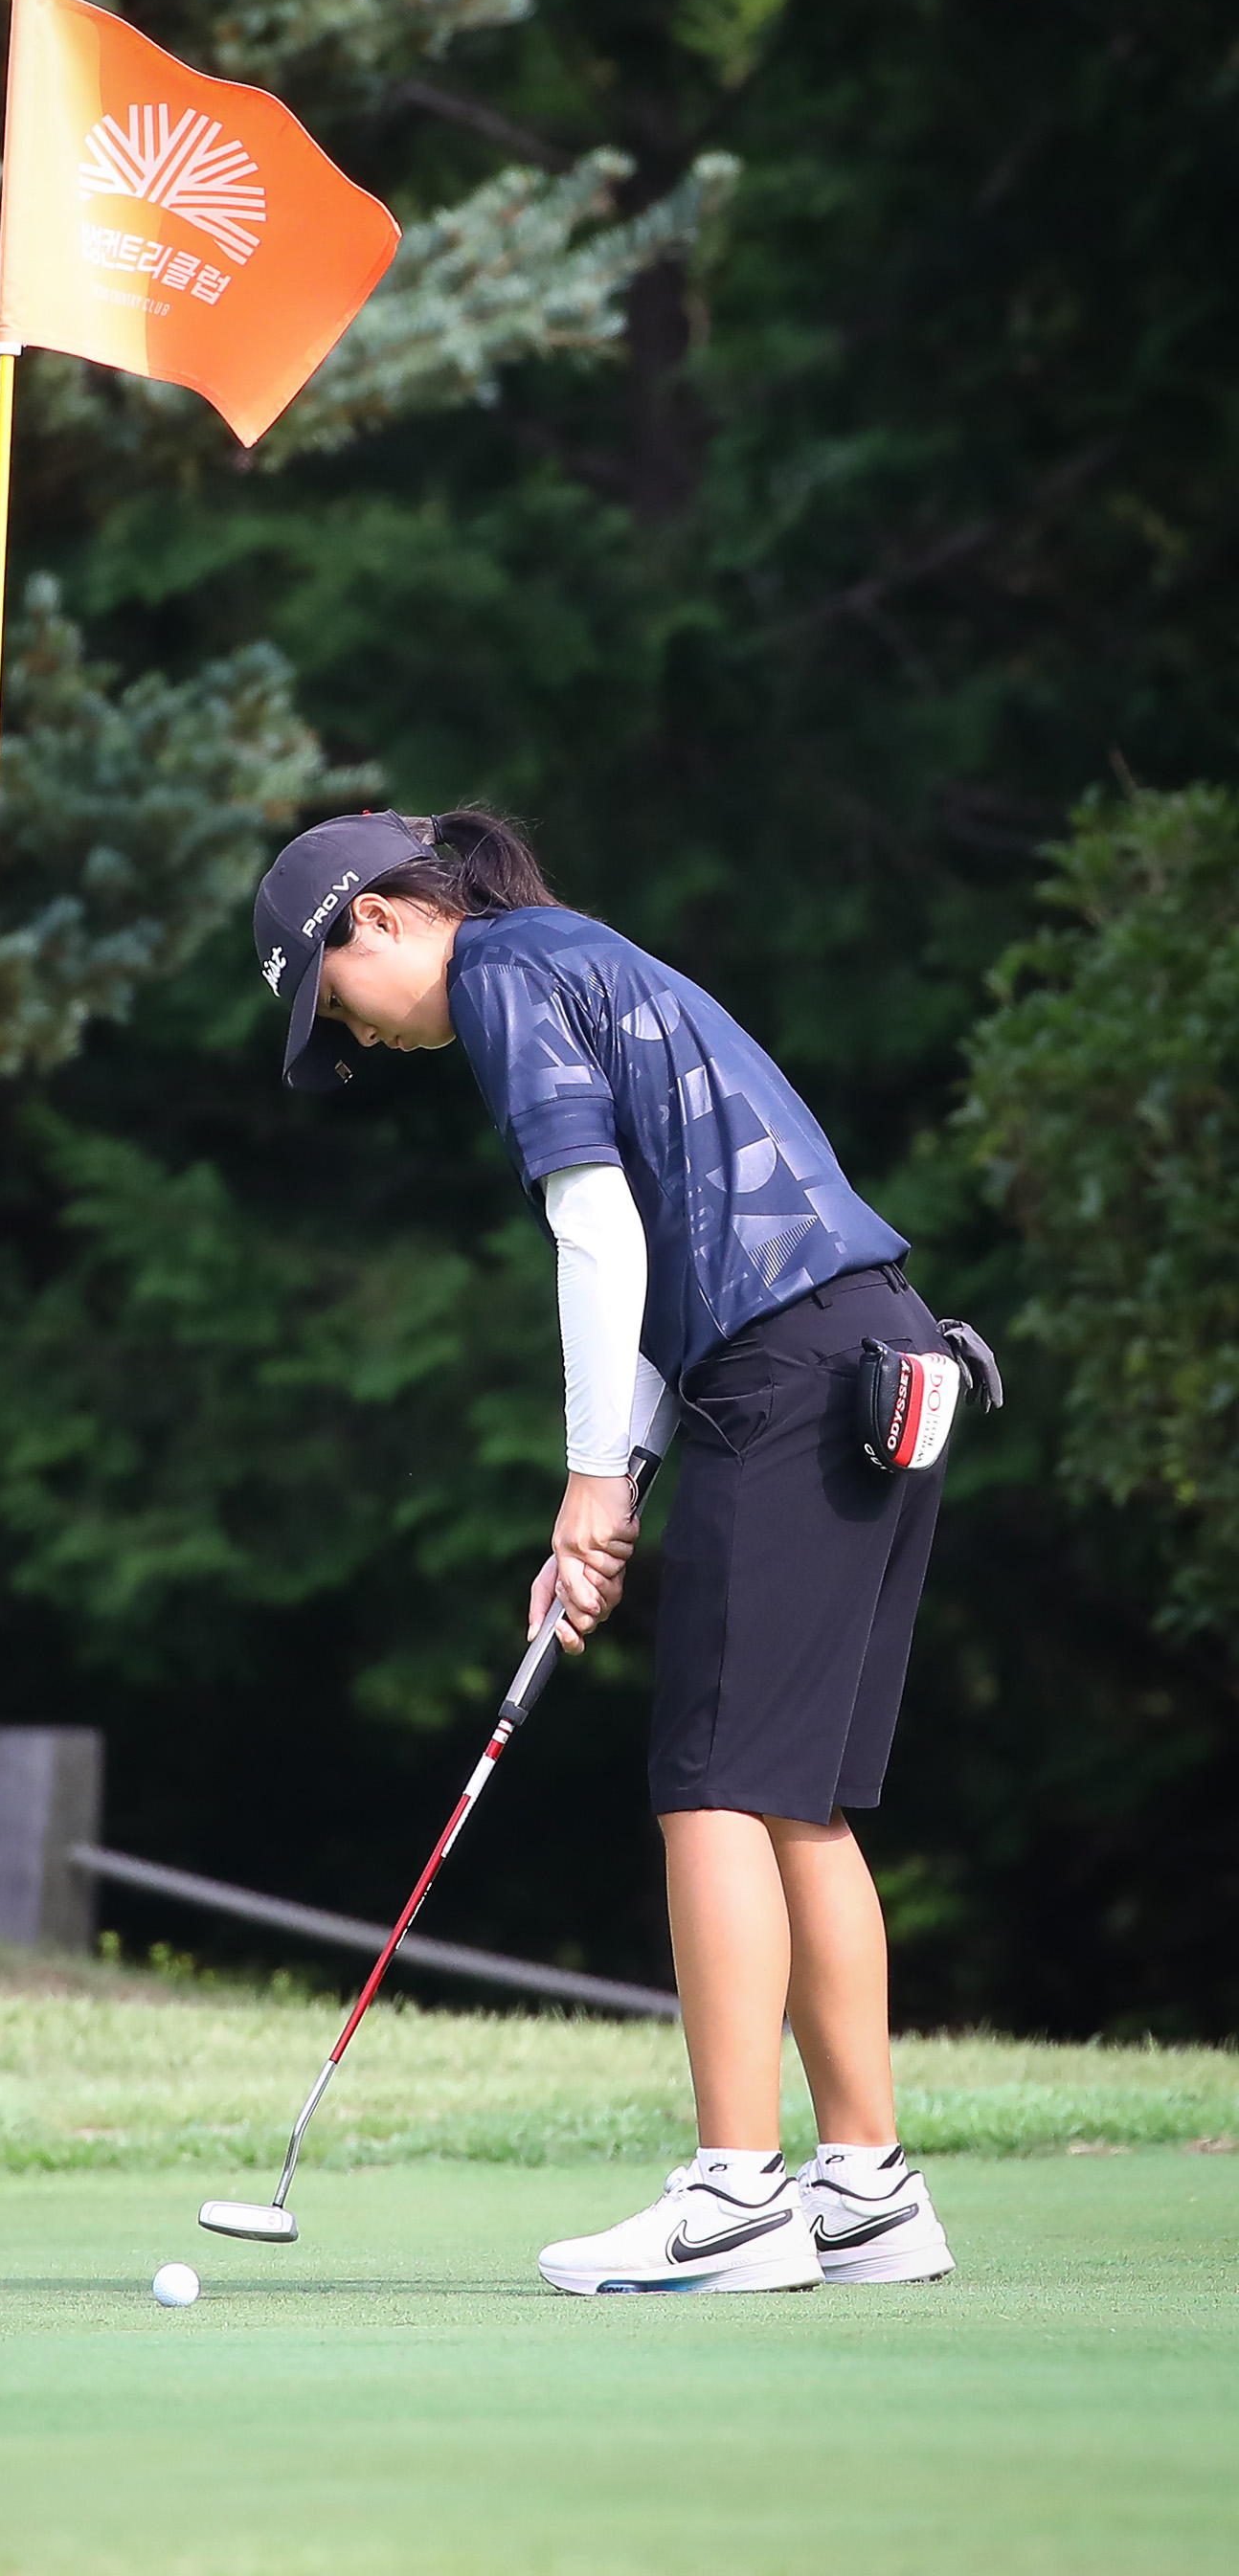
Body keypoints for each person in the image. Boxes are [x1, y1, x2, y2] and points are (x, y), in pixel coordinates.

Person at [253, 806, 959, 2296]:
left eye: (338, 1006)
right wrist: (619, 1488)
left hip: (790, 1380)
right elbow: (669, 1256)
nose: (363, 1043)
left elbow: (598, 1236)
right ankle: (865, 2191)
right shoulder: (581, 957)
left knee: (711, 1787)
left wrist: (582, 1483)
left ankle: (733, 2200)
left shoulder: (505, 972)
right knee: (798, 1801)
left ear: (378, 919)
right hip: (871, 1353)